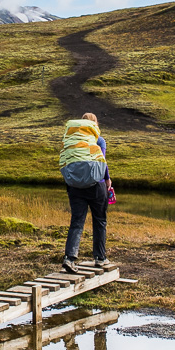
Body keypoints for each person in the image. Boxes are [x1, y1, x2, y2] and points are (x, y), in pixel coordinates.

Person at [59, 112, 112, 272]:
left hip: (75, 186)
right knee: (99, 220)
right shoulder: (98, 140)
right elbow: (101, 160)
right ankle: (100, 258)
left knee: (77, 221)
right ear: (94, 124)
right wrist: (108, 179)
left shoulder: (70, 141)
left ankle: (70, 258)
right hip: (96, 185)